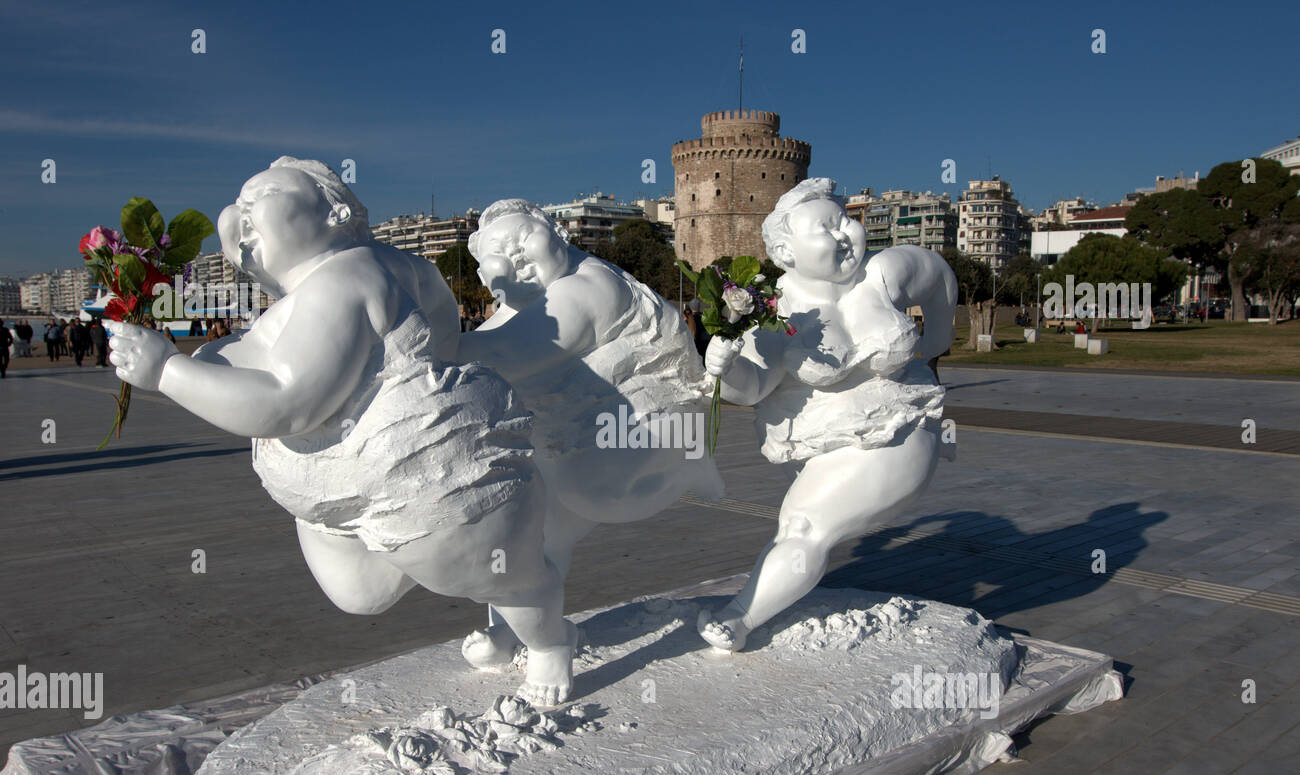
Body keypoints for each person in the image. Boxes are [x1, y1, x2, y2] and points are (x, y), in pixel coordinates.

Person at [106, 156, 575, 706]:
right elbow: (440, 330)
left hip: (431, 487)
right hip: (352, 497)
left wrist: (168, 371)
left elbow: (288, 402)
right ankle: (426, 559)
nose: (244, 209)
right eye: (240, 202)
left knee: (499, 576)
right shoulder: (346, 281)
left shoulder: (347, 275)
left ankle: (551, 641)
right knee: (360, 591)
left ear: (336, 211)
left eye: (266, 194)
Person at [455, 199, 724, 673]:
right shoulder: (517, 309)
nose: (514, 254)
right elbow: (483, 348)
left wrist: (403, 336)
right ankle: (523, 628)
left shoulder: (589, 285)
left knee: (571, 491)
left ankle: (691, 466)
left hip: (646, 429)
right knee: (523, 536)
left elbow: (507, 353)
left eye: (523, 239)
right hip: (578, 442)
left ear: (556, 232)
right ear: (484, 278)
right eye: (497, 254)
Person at [698, 178, 955, 652]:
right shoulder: (775, 311)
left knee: (804, 526)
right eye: (825, 229)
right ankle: (746, 611)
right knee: (800, 528)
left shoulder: (882, 271)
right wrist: (722, 369)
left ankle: (739, 617)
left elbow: (937, 275)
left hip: (898, 435)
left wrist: (937, 344)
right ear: (787, 251)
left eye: (845, 222)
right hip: (828, 446)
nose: (844, 236)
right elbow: (754, 385)